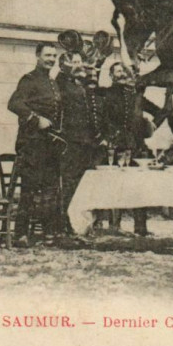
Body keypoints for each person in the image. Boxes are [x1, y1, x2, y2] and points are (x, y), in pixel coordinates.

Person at [7, 43, 62, 247]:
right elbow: (14, 104)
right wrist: (35, 119)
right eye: (47, 55)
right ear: (37, 56)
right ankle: (20, 234)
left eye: (54, 56)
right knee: (29, 188)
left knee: (49, 189)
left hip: (50, 144)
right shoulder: (29, 80)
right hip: (32, 143)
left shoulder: (53, 82)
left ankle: (48, 233)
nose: (51, 59)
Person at [104, 62, 157, 235]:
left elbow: (159, 111)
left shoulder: (136, 96)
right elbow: (102, 119)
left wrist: (152, 125)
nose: (121, 74)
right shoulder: (107, 94)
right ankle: (114, 225)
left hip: (137, 146)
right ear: (111, 75)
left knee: (139, 186)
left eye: (123, 71)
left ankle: (140, 227)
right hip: (116, 145)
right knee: (115, 186)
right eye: (117, 71)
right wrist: (110, 136)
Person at [57, 52, 105, 239]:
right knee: (69, 184)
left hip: (86, 143)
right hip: (71, 142)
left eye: (80, 61)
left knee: (83, 184)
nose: (79, 65)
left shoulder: (81, 84)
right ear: (63, 65)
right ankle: (67, 225)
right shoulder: (61, 83)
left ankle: (83, 225)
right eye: (74, 61)